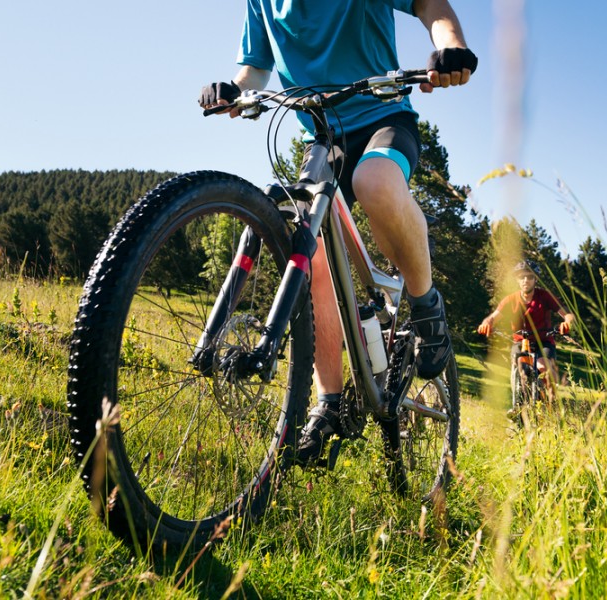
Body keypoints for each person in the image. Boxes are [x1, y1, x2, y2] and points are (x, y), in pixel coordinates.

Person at [200, 0, 477, 466]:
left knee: (374, 183)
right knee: (312, 253)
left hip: (384, 119)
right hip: (323, 136)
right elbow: (255, 70)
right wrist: (234, 88)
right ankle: (328, 403)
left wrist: (451, 46)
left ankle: (426, 304)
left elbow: (430, 5)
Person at [477, 260, 575, 401]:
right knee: (519, 366)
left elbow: (567, 314)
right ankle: (517, 402)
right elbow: (492, 318)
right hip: (520, 341)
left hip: (544, 340)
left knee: (544, 367)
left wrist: (567, 322)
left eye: (530, 277)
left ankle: (552, 402)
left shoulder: (544, 296)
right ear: (517, 279)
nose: (525, 280)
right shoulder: (510, 300)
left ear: (535, 279)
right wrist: (485, 324)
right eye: (522, 277)